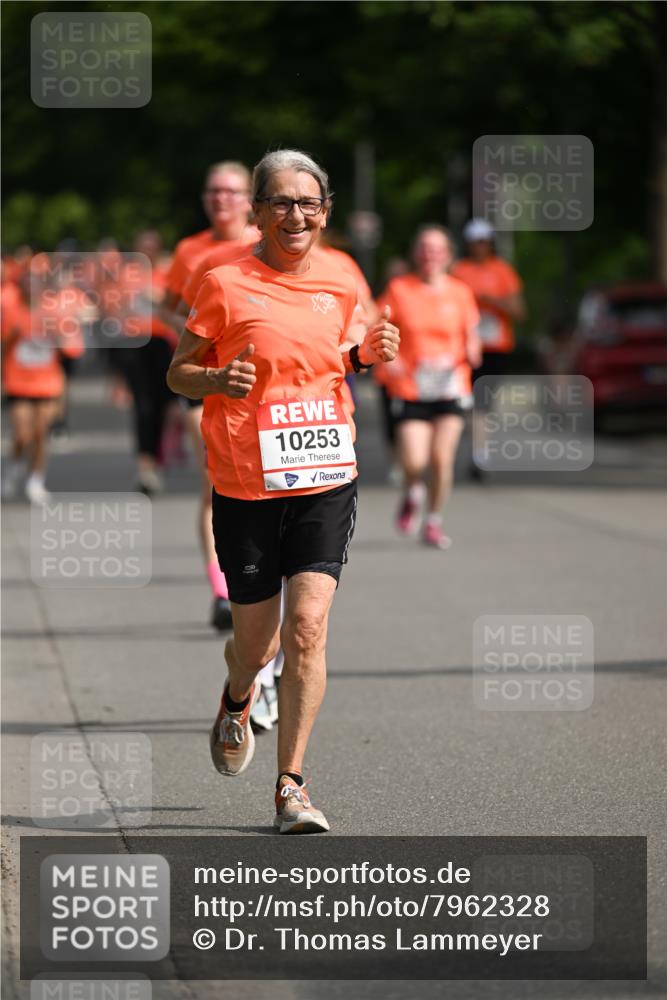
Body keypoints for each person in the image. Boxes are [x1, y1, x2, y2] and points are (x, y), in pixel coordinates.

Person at [167, 149, 399, 833]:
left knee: (307, 628)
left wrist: (368, 355)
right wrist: (214, 382)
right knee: (257, 645)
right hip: (245, 480)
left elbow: (340, 355)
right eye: (281, 203)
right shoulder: (222, 281)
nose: (295, 215)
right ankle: (237, 696)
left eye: (308, 203)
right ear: (260, 212)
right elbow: (180, 371)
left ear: (324, 210)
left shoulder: (344, 276)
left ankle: (290, 787)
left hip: (325, 473)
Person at [162, 161, 260, 632]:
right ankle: (222, 590)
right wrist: (200, 340)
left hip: (260, 386)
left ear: (250, 199)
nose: (222, 199)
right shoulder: (193, 252)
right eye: (214, 191)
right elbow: (172, 311)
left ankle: (264, 578)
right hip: (204, 380)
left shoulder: (272, 245)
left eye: (231, 191)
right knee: (214, 479)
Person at [378, 225, 481, 549]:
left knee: (441, 458)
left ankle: (434, 521)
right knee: (414, 461)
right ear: (415, 253)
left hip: (451, 384)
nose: (429, 255)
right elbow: (377, 326)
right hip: (412, 387)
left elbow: (472, 331)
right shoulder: (399, 289)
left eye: (436, 249)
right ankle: (413, 490)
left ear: (448, 255)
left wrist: (474, 347)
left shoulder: (460, 292)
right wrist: (388, 357)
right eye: (424, 248)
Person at [2, 265, 85, 503]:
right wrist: (13, 336)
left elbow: (70, 348)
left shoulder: (54, 312)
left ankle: (36, 480)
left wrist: (58, 338)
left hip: (47, 382)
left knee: (40, 433)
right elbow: (3, 346)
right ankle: (15, 465)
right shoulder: (9, 308)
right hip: (18, 381)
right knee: (22, 434)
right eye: (27, 282)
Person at [104, 231, 178, 494]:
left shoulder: (168, 274)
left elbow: (178, 308)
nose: (146, 253)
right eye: (142, 248)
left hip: (163, 345)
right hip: (134, 344)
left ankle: (162, 453)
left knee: (167, 407)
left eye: (151, 248)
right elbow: (113, 311)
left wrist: (159, 298)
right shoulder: (126, 276)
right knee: (144, 408)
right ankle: (146, 468)